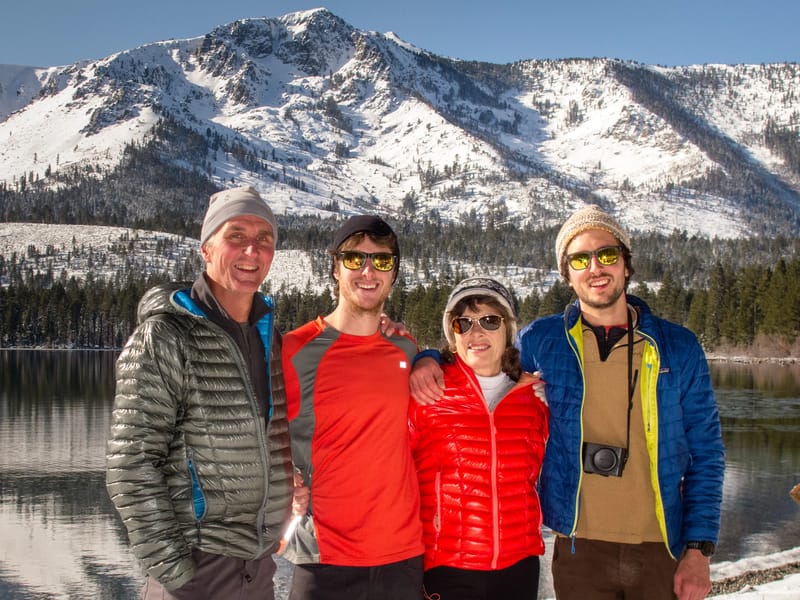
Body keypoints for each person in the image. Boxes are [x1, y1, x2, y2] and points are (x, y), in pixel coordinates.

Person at [411, 204, 725, 600]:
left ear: (626, 264)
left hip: (662, 546)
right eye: (580, 259)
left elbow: (707, 453)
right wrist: (424, 358)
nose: (595, 267)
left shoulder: (677, 347)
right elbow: (480, 358)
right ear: (567, 274)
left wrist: (699, 549)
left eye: (607, 255)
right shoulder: (543, 340)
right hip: (578, 549)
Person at [106, 185, 296, 600]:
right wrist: (175, 571)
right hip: (196, 570)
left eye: (264, 240)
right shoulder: (165, 335)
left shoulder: (270, 340)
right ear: (206, 249)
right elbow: (131, 462)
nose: (252, 250)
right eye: (236, 236)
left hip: (258, 567)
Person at [281, 215, 425, 600]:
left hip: (403, 556)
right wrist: (282, 479)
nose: (368, 271)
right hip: (324, 558)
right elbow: (257, 434)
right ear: (334, 268)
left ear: (393, 273)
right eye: (353, 259)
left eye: (381, 261)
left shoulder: (406, 348)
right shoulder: (294, 351)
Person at [408, 277, 549, 600]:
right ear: (452, 332)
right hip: (448, 567)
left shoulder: (534, 398)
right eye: (464, 323)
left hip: (520, 565)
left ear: (508, 328)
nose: (476, 333)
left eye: (489, 320)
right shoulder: (428, 392)